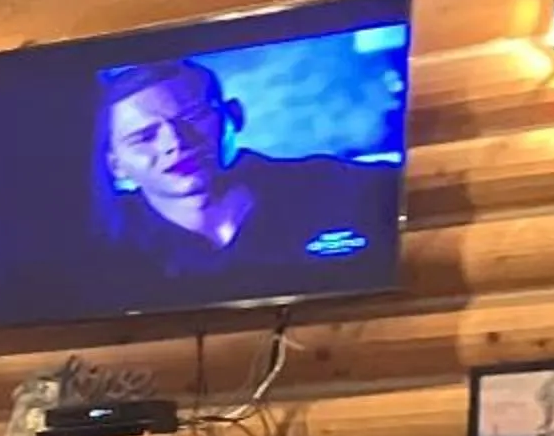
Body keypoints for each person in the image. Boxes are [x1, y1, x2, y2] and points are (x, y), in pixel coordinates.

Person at [93, 58, 383, 285]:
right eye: (144, 137)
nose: (176, 143)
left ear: (234, 115)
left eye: (193, 117)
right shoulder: (100, 243)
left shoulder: (343, 187)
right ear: (116, 165)